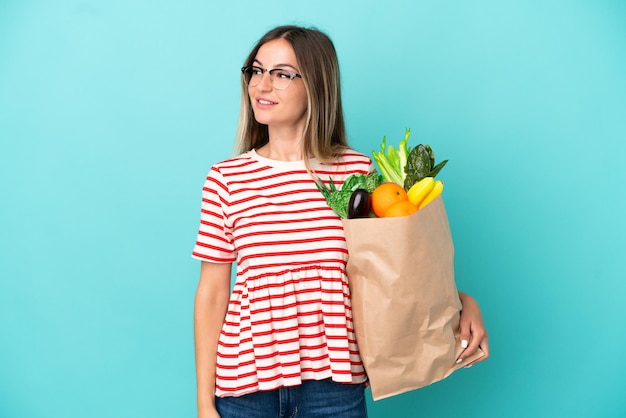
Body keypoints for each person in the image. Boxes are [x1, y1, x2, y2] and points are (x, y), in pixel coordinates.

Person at [192, 25, 489, 418]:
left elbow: (396, 271)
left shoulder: (356, 172)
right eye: (256, 70)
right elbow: (213, 295)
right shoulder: (226, 179)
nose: (262, 85)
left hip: (335, 389)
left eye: (281, 74)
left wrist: (464, 302)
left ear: (316, 85)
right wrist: (203, 403)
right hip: (245, 390)